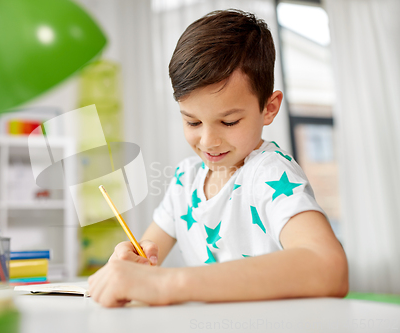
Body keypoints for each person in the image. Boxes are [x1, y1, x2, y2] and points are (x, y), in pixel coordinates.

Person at [88, 9, 348, 307]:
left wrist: (171, 283)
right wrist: (128, 264)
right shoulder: (185, 181)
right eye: (193, 122)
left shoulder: (269, 174)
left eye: (229, 122)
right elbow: (145, 257)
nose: (208, 141)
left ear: (269, 108)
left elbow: (330, 268)